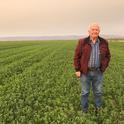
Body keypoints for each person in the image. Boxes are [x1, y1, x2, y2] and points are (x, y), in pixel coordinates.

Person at [73, 23, 111, 113]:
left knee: (98, 92)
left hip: (98, 72)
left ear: (99, 31)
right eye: (93, 29)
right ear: (89, 31)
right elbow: (76, 56)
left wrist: (104, 66)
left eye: (96, 30)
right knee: (85, 92)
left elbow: (108, 56)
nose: (95, 31)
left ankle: (98, 109)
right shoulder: (82, 42)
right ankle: (84, 110)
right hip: (85, 72)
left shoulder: (104, 42)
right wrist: (77, 69)